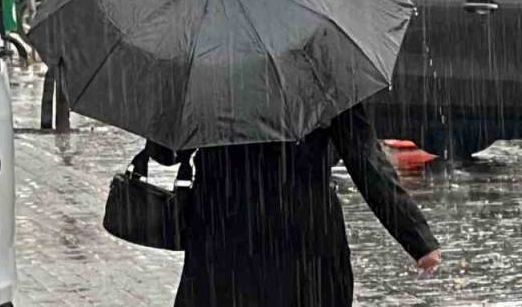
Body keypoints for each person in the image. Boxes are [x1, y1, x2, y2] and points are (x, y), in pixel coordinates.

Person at [148, 103, 440, 307]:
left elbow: (166, 152)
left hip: (223, 237)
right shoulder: (320, 62)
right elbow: (363, 156)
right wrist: (416, 238)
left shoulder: (206, 62)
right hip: (304, 239)